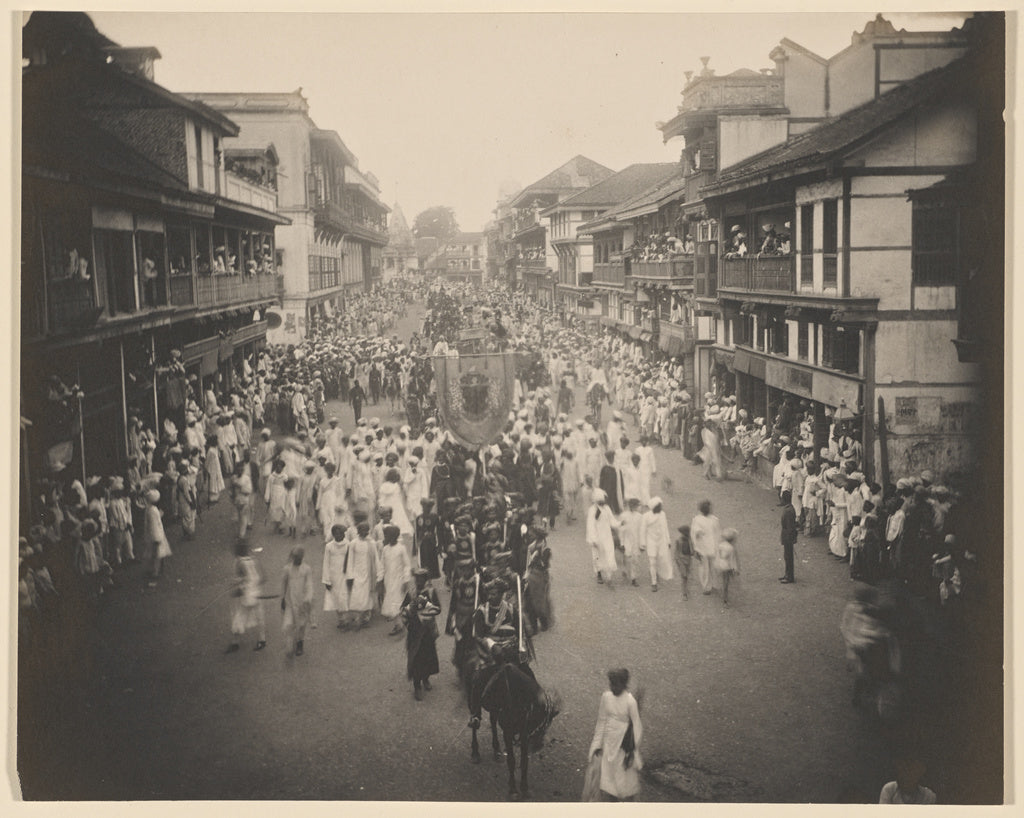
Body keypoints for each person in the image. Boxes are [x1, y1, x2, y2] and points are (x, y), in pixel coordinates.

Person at [588, 668, 643, 802]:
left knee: (625, 783)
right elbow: (601, 721)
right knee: (609, 783)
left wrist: (632, 750)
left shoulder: (630, 702)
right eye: (611, 684)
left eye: (616, 684)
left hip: (623, 746)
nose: (612, 687)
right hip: (609, 744)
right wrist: (597, 744)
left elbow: (637, 727)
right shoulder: (606, 697)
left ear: (624, 685)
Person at [401, 568, 441, 700]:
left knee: (428, 656)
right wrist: (411, 609)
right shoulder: (411, 593)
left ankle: (426, 678)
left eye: (421, 578)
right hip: (414, 631)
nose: (418, 581)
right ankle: (417, 685)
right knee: (416, 658)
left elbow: (438, 608)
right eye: (416, 578)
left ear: (426, 579)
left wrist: (426, 608)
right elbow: (403, 609)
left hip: (427, 631)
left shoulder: (431, 592)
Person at [226, 538, 267, 653]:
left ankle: (235, 643)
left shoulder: (239, 562)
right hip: (256, 593)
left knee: (239, 616)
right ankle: (262, 639)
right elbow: (263, 578)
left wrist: (239, 588)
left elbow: (239, 579)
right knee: (259, 616)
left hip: (247, 594)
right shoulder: (254, 560)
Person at [281, 546, 314, 657]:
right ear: (292, 557)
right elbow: (284, 584)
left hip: (302, 601)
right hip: (290, 601)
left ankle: (300, 643)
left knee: (301, 624)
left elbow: (309, 585)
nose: (297, 560)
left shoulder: (306, 569)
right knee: (288, 624)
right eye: (295, 557)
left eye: (299, 557)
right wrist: (282, 598)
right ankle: (289, 645)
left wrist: (308, 599)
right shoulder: (287, 569)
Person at [380, 524, 412, 635]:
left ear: (394, 536)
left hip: (399, 579)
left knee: (397, 602)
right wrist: (380, 579)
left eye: (387, 535)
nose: (385, 538)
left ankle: (400, 625)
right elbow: (382, 565)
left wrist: (405, 580)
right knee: (391, 602)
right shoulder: (385, 549)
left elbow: (407, 565)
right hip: (389, 580)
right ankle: (399, 624)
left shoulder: (401, 548)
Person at [586, 488, 620, 586]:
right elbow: (591, 525)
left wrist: (619, 523)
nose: (603, 501)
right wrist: (593, 539)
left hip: (607, 536)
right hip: (597, 537)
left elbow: (612, 521)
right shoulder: (593, 510)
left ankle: (609, 576)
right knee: (597, 556)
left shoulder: (607, 508)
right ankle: (599, 574)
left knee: (609, 554)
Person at [641, 497, 673, 593]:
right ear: (654, 507)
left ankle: (655, 573)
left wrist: (668, 540)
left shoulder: (663, 514)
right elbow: (643, 530)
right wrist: (642, 543)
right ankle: (653, 583)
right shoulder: (646, 516)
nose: (661, 508)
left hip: (661, 541)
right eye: (659, 506)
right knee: (652, 561)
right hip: (651, 541)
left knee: (661, 558)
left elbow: (665, 527)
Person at [690, 500, 721, 595]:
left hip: (711, 547)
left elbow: (718, 533)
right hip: (704, 548)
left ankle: (712, 585)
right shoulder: (698, 520)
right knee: (705, 567)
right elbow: (694, 533)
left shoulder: (713, 520)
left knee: (711, 566)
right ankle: (708, 586)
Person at [322, 524, 349, 628]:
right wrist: (326, 580)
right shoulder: (329, 546)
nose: (339, 536)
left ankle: (346, 619)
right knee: (335, 597)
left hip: (345, 575)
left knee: (345, 596)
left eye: (340, 534)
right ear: (333, 535)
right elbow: (326, 563)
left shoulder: (348, 545)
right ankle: (341, 619)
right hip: (334, 576)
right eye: (336, 534)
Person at [142, 489, 171, 587]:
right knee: (157, 554)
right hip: (157, 535)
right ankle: (155, 572)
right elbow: (154, 525)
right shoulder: (153, 511)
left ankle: (157, 570)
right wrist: (157, 538)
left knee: (158, 554)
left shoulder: (150, 509)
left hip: (155, 534)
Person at [715, 528, 741, 606]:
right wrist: (736, 569)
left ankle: (723, 596)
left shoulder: (720, 545)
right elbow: (732, 560)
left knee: (722, 581)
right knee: (726, 583)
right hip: (727, 567)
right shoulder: (731, 548)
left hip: (720, 565)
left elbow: (717, 555)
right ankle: (725, 599)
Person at [780, 490, 798, 584]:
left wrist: (790, 538)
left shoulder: (788, 511)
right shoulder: (790, 508)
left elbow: (790, 527)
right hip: (787, 535)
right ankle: (787, 574)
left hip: (787, 536)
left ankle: (789, 576)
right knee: (787, 556)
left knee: (788, 557)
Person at [674, 525, 692, 600]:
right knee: (684, 576)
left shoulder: (690, 540)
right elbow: (676, 552)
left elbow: (692, 551)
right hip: (681, 560)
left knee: (686, 576)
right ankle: (684, 593)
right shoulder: (678, 540)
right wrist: (677, 560)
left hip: (688, 560)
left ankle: (685, 589)